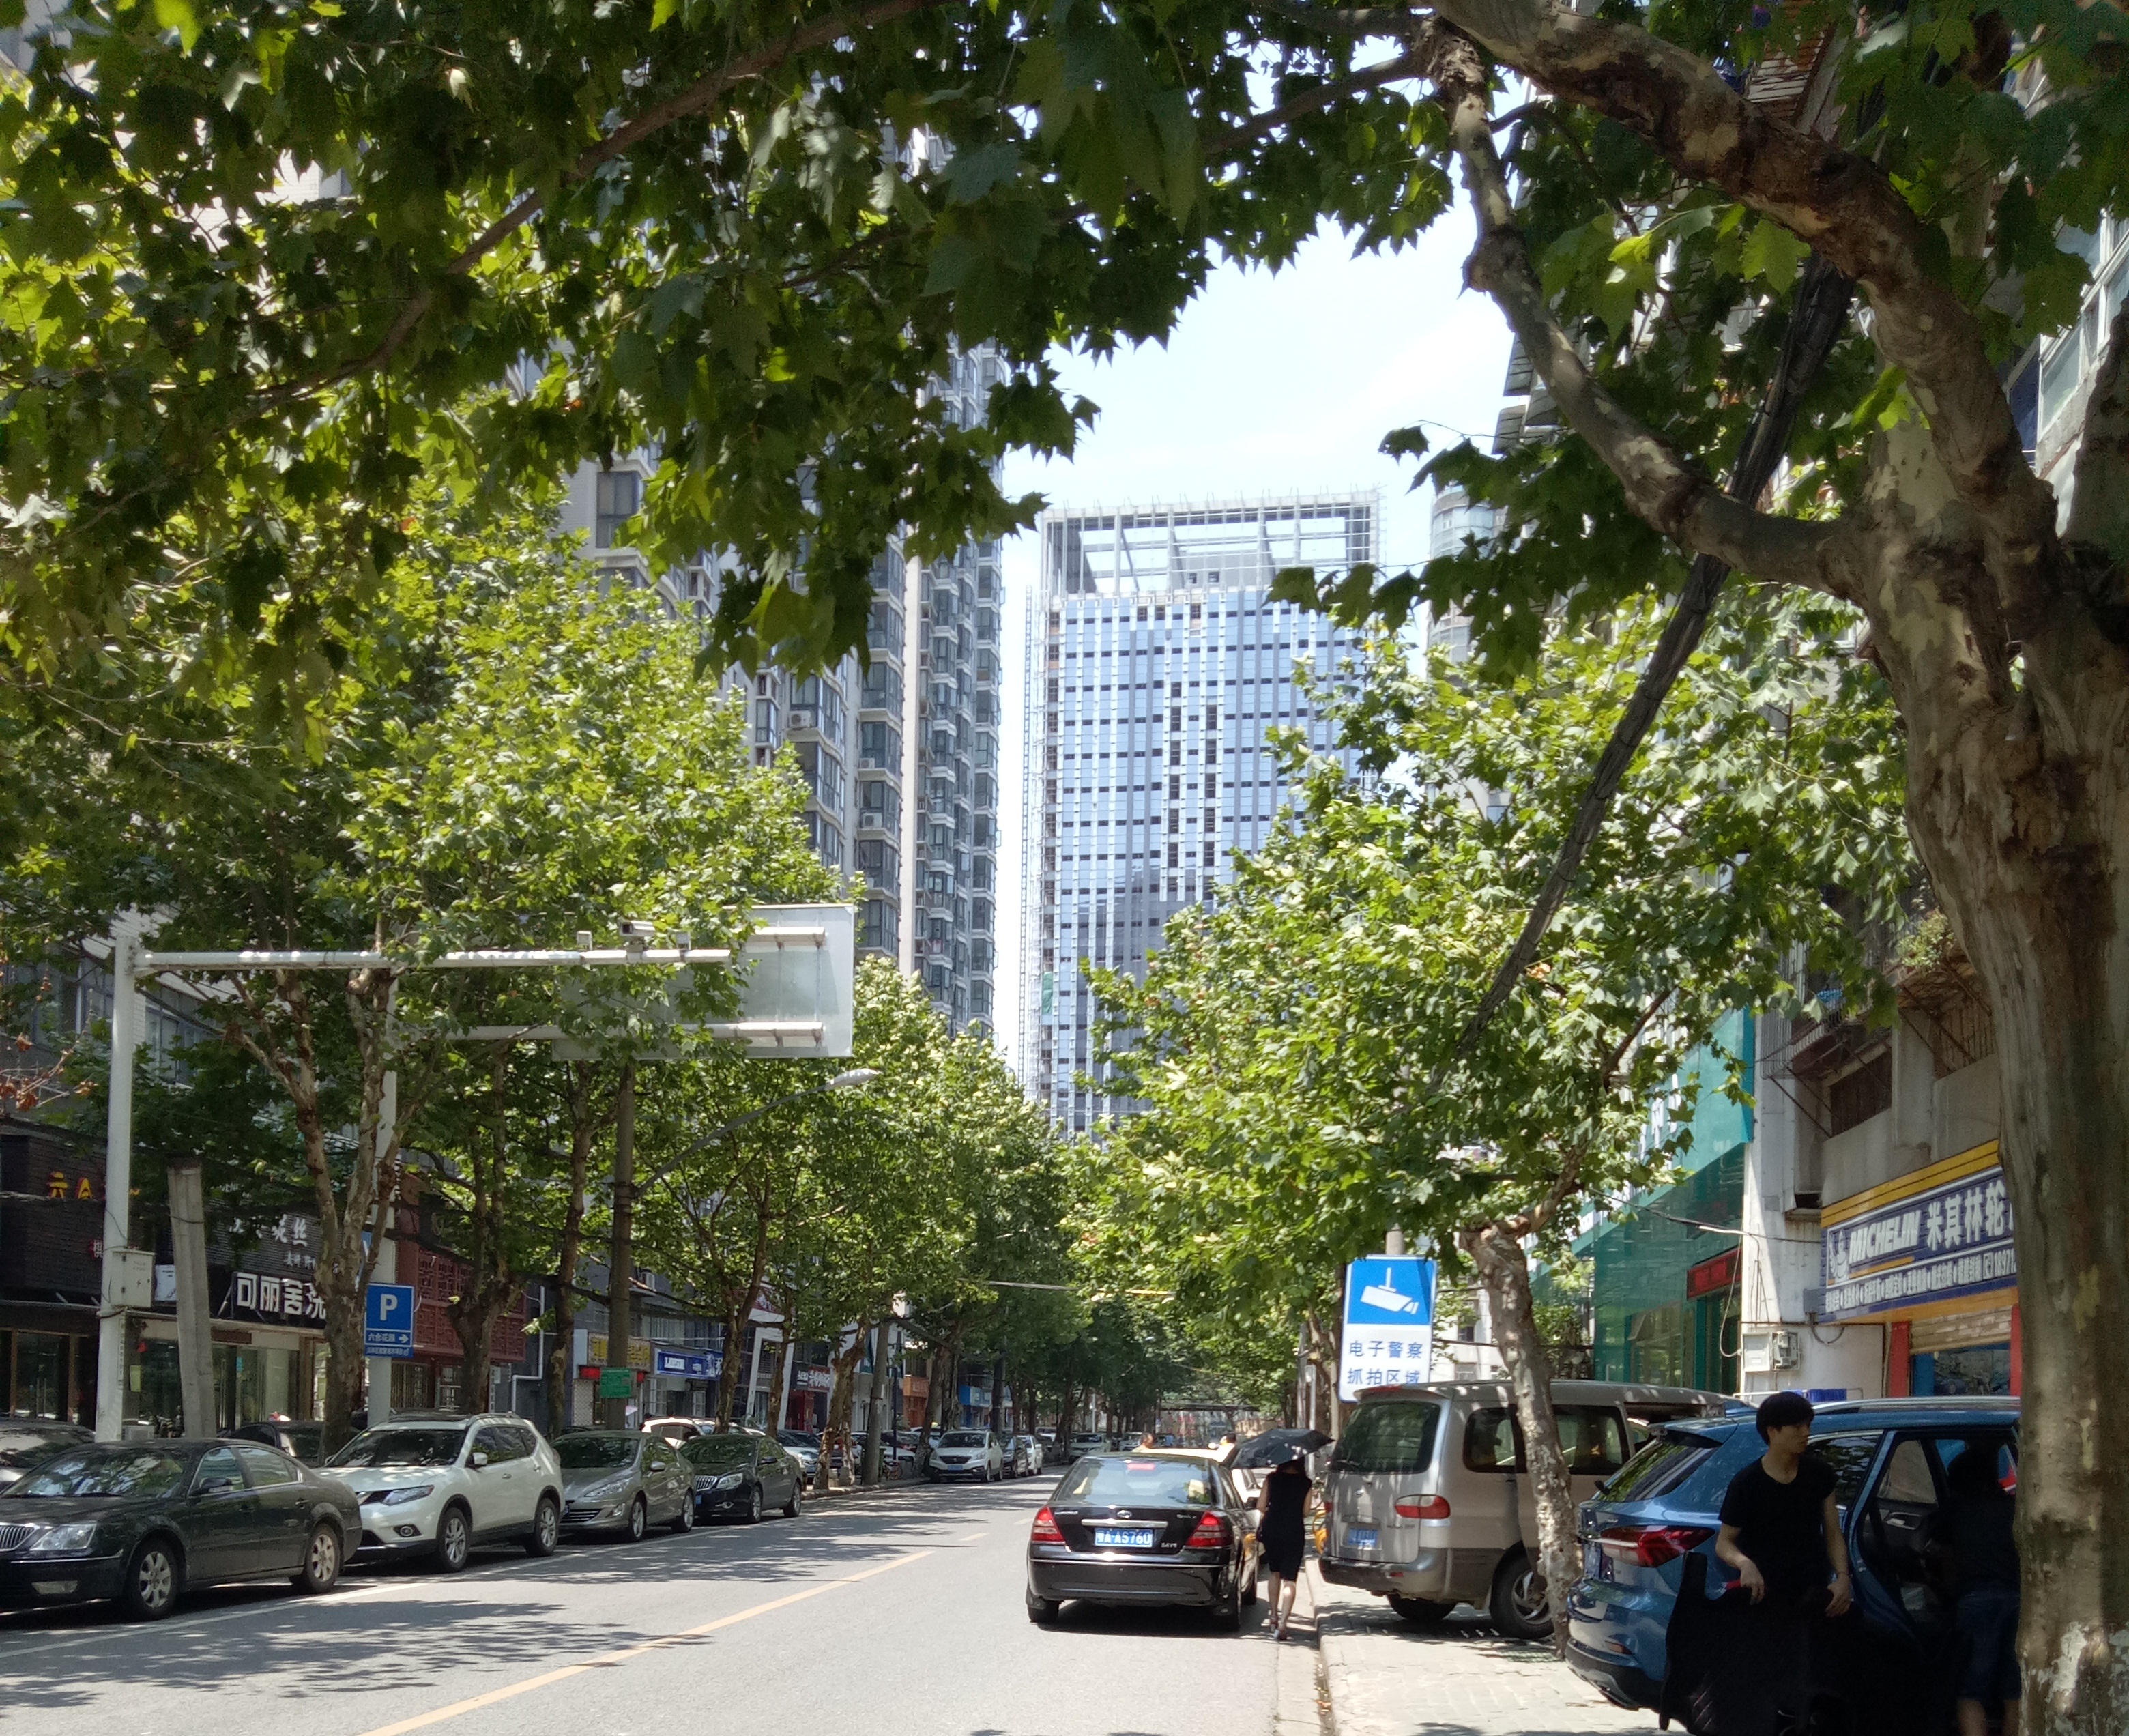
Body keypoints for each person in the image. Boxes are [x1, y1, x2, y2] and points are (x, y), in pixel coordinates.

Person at [1711, 1392, 1852, 1731]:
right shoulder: (1747, 1483)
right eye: (1797, 1426)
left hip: (1812, 1597)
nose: (1806, 1433)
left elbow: (1833, 1532)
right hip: (1765, 1602)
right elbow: (1724, 1543)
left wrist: (1843, 1577)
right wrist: (1745, 1564)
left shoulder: (1819, 1474)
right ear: (1773, 1431)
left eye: (1808, 1425)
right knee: (1766, 1687)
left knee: (1816, 1682)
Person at [1943, 1447, 2020, 1736]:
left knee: (1971, 1692)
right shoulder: (2014, 1510)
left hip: (1975, 1602)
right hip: (2018, 1600)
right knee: (2015, 1692)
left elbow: (1940, 1556)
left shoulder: (1957, 1512)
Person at [1258, 1447, 1312, 1641]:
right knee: (1290, 1579)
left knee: (1274, 1573)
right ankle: (1283, 1624)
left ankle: (1273, 1616)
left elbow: (1260, 1506)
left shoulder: (1272, 1479)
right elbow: (1306, 1512)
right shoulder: (1306, 1483)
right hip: (1294, 1532)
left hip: (1272, 1529)